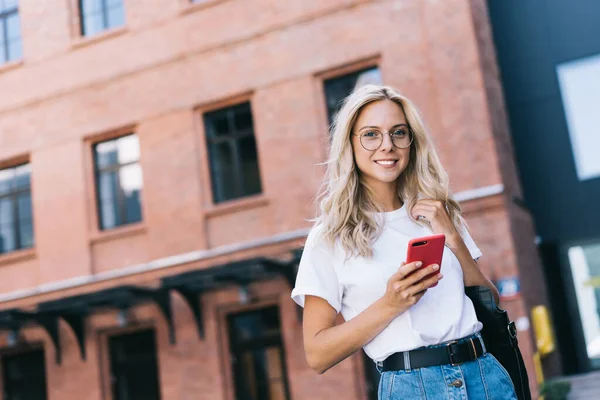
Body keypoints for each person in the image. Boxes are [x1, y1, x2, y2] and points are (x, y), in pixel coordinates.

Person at [290, 84, 517, 399]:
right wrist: (390, 304)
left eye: (398, 132)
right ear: (349, 145)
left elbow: (490, 302)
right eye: (371, 134)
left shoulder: (438, 211)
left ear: (412, 141)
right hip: (412, 387)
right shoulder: (330, 236)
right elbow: (317, 354)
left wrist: (453, 238)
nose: (387, 145)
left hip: (485, 376)